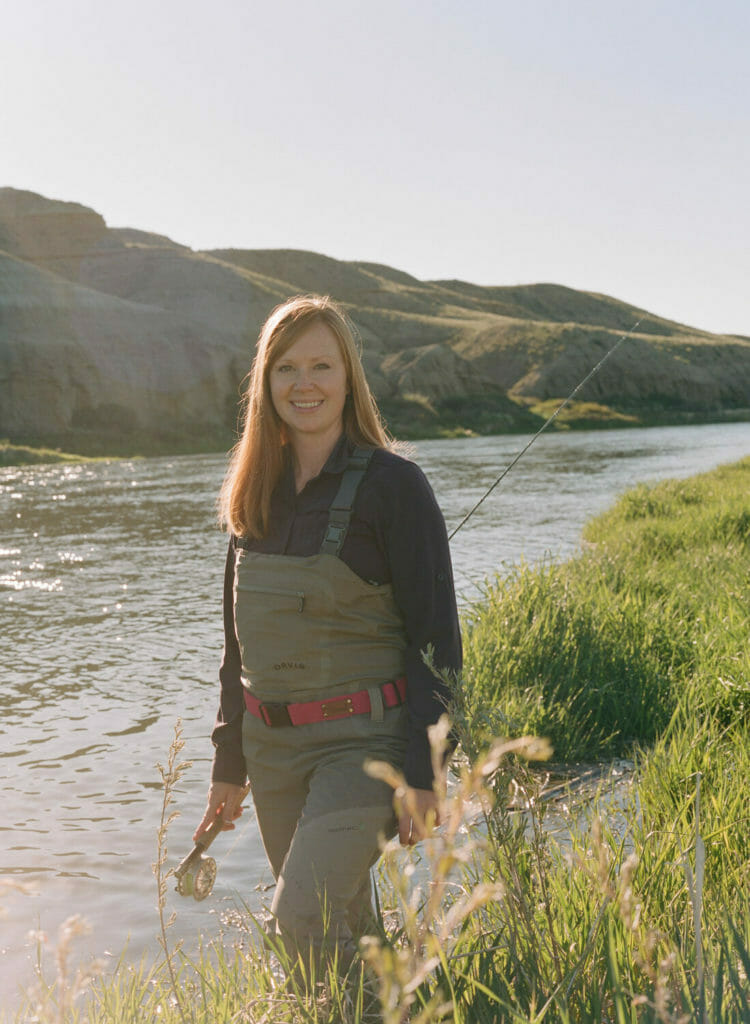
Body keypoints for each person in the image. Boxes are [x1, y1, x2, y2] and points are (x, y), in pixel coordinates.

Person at [194, 293, 462, 968]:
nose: (303, 383)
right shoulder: (250, 492)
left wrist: (425, 769)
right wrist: (230, 763)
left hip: (363, 745)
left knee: (299, 915)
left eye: (321, 366)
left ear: (348, 379)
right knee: (343, 926)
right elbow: (237, 648)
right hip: (272, 751)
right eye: (286, 368)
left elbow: (436, 639)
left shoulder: (395, 487)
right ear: (265, 382)